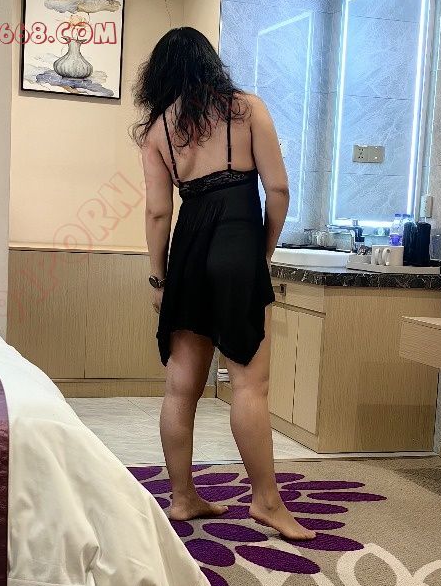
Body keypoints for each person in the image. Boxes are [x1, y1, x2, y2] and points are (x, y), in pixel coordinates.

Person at [132, 27, 314, 540]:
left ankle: (182, 497)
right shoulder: (246, 108)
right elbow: (278, 189)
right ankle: (267, 501)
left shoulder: (158, 131)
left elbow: (158, 212)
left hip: (187, 253)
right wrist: (262, 251)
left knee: (180, 386)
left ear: (160, 76)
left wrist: (159, 278)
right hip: (237, 247)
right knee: (250, 385)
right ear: (211, 64)